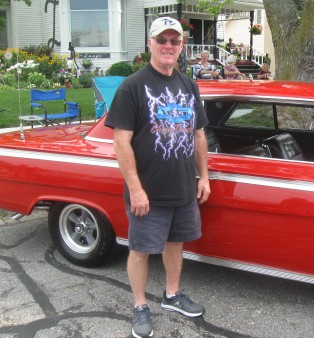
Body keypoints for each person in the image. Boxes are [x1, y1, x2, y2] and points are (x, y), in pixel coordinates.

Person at [104, 17, 210, 338]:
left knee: (175, 243)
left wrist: (203, 176)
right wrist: (136, 189)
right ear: (150, 43)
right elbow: (121, 141)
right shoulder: (132, 86)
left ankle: (172, 295)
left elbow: (199, 135)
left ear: (181, 47)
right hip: (147, 190)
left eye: (174, 41)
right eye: (161, 40)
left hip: (182, 185)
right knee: (140, 249)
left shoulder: (188, 84)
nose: (168, 46)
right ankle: (139, 306)